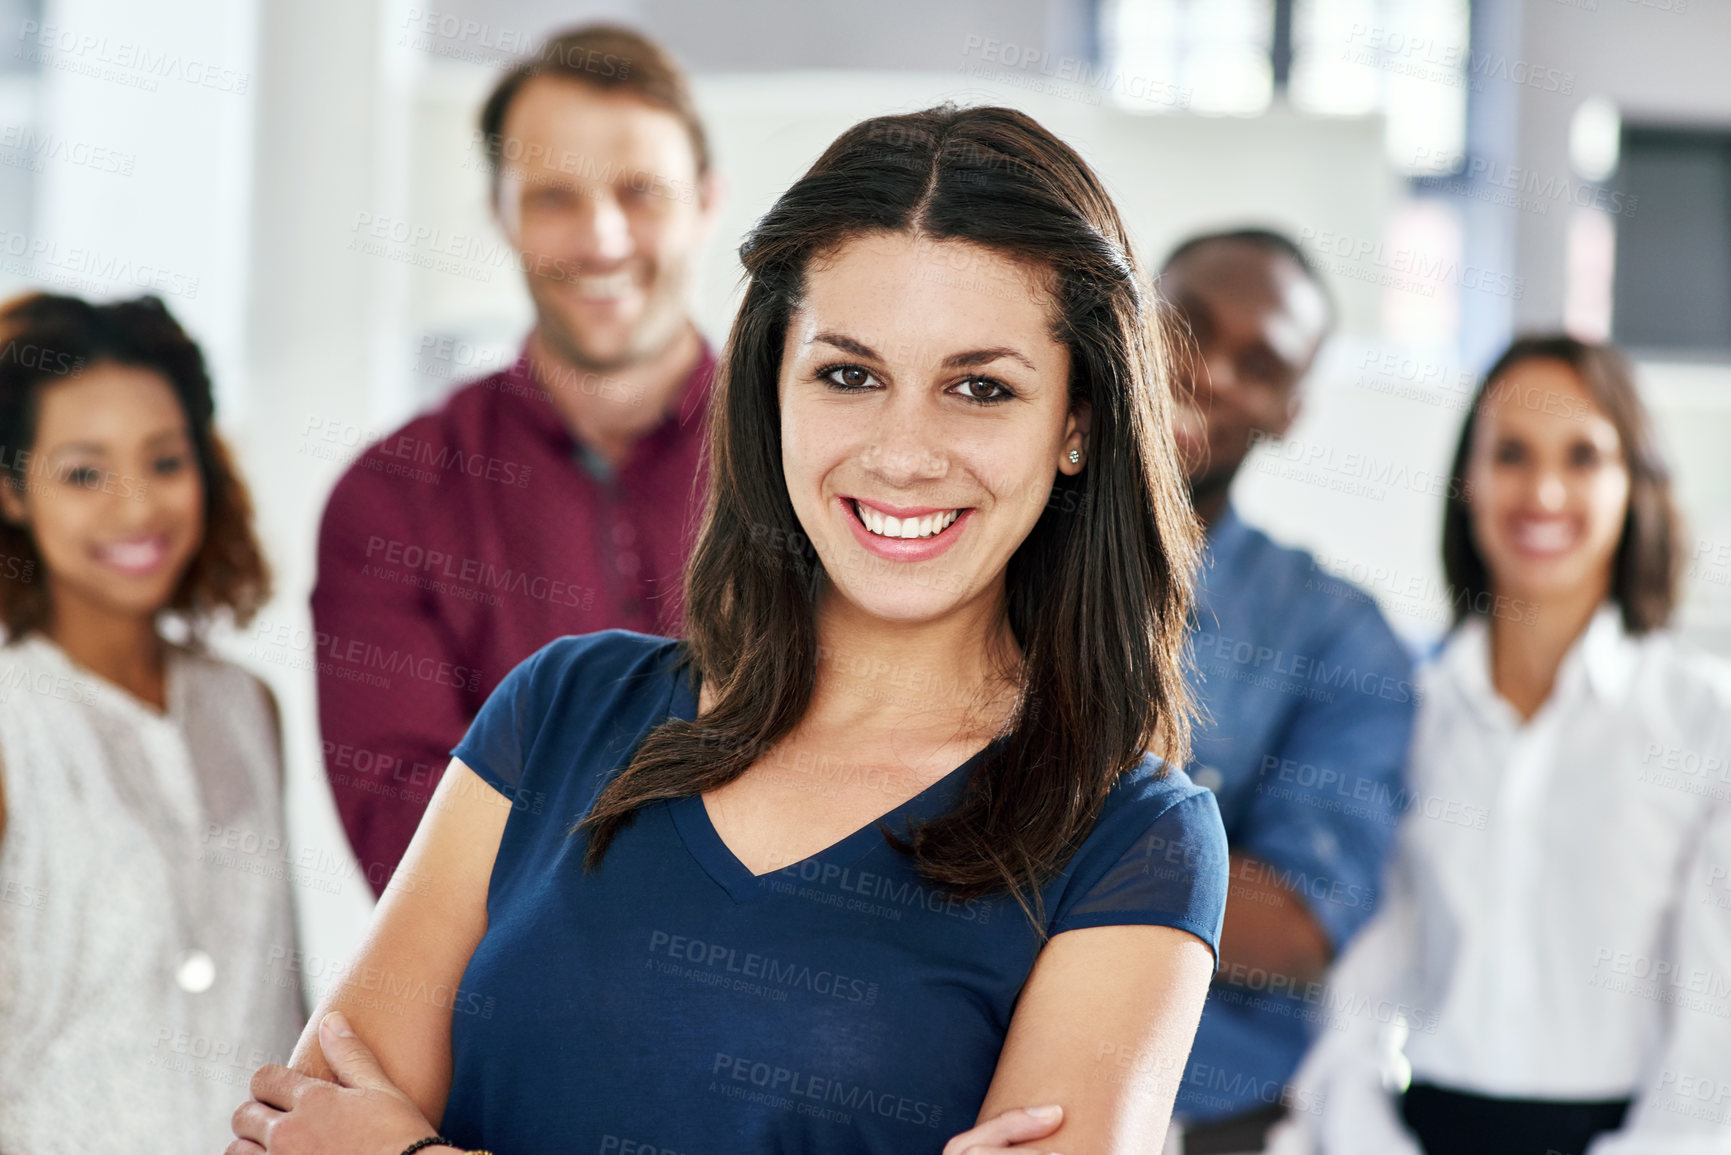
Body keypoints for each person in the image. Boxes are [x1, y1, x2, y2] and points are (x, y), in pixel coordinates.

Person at [227, 103, 1232, 1155]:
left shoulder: (1131, 840)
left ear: (1076, 425)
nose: (902, 453)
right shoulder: (562, 711)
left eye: (979, 389)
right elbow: (293, 1134)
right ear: (772, 388)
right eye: (849, 375)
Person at [1272, 336, 1731, 1155]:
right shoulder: (1404, 710)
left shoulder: (1704, 721)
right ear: (1468, 483)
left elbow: (1714, 1034)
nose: (1543, 490)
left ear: (1634, 483)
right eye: (1510, 454)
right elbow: (1359, 991)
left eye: (1583, 456)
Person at [311, 23, 722, 897]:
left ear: (707, 200)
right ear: (499, 212)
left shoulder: (830, 467)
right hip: (514, 1023)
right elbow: (408, 843)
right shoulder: (389, 502)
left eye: (641, 191)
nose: (602, 238)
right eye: (553, 198)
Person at [0, 294, 303, 1152]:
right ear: (13, 491)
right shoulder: (12, 723)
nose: (136, 508)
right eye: (84, 473)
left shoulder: (248, 705)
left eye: (165, 461)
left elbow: (283, 1000)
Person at [1154, 229, 1418, 1149]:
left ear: (1290, 408)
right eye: (1187, 326)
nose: (1213, 374)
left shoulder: (1340, 635)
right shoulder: (976, 542)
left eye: (1258, 363)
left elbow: (1301, 924)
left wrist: (1011, 847)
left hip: (1200, 1116)